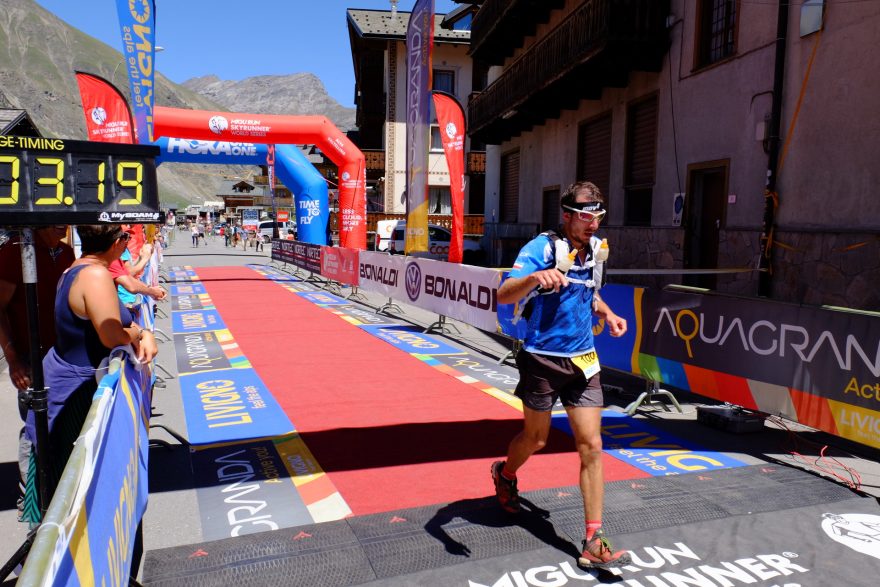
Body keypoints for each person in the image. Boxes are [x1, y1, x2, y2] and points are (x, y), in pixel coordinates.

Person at [493, 181, 629, 570]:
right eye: (585, 217)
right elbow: (504, 293)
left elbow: (588, 292)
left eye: (598, 217)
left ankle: (593, 539)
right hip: (542, 360)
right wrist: (538, 277)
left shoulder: (595, 252)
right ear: (566, 215)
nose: (592, 225)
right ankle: (505, 473)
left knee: (591, 446)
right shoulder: (542, 247)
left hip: (584, 361)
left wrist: (608, 314)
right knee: (536, 439)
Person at [21, 225, 158, 524]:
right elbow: (111, 335)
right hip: (75, 391)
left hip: (71, 379)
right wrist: (139, 332)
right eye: (125, 237)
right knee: (66, 486)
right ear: (118, 243)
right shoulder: (95, 275)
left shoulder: (79, 267)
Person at [0, 226, 74, 520]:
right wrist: (13, 358)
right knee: (34, 425)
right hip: (31, 360)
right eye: (54, 217)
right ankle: (31, 498)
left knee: (61, 422)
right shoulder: (13, 252)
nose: (62, 224)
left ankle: (57, 486)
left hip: (64, 360)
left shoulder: (67, 252)